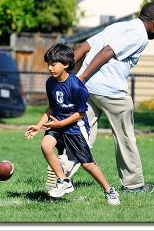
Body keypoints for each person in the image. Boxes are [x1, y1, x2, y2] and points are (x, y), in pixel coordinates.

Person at [46, 2, 154, 193]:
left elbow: (84, 46)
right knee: (125, 137)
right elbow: (107, 52)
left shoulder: (117, 26)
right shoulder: (139, 35)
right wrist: (81, 78)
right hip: (110, 91)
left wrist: (70, 74)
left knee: (80, 134)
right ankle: (133, 185)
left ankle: (60, 171)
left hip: (87, 88)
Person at [24, 43, 120, 205]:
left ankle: (109, 190)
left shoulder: (77, 86)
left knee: (87, 165)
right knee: (46, 146)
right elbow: (52, 107)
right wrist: (38, 125)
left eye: (53, 64)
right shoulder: (50, 83)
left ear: (66, 65)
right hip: (58, 125)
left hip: (76, 128)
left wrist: (61, 124)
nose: (50, 68)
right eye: (48, 64)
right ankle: (64, 180)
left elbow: (81, 113)